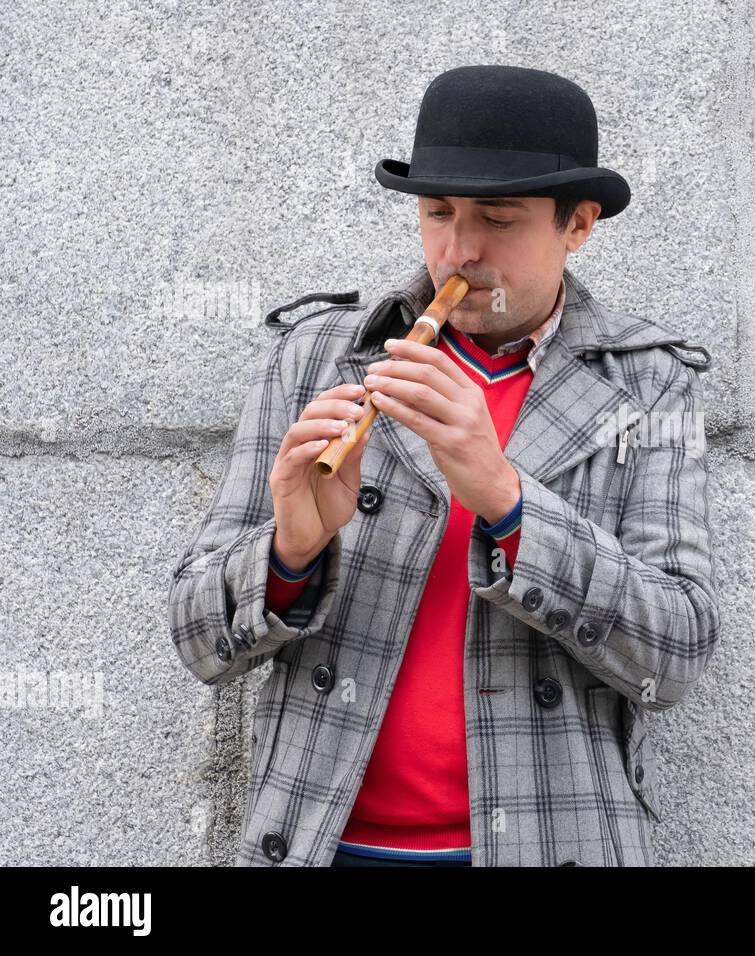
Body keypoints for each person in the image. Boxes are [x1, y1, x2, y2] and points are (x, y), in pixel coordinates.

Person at [168, 65, 721, 867]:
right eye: (436, 214)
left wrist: (507, 499)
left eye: (498, 218)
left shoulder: (648, 383)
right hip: (322, 844)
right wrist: (288, 554)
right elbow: (197, 641)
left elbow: (675, 656)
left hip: (550, 843)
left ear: (579, 225)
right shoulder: (318, 356)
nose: (459, 249)